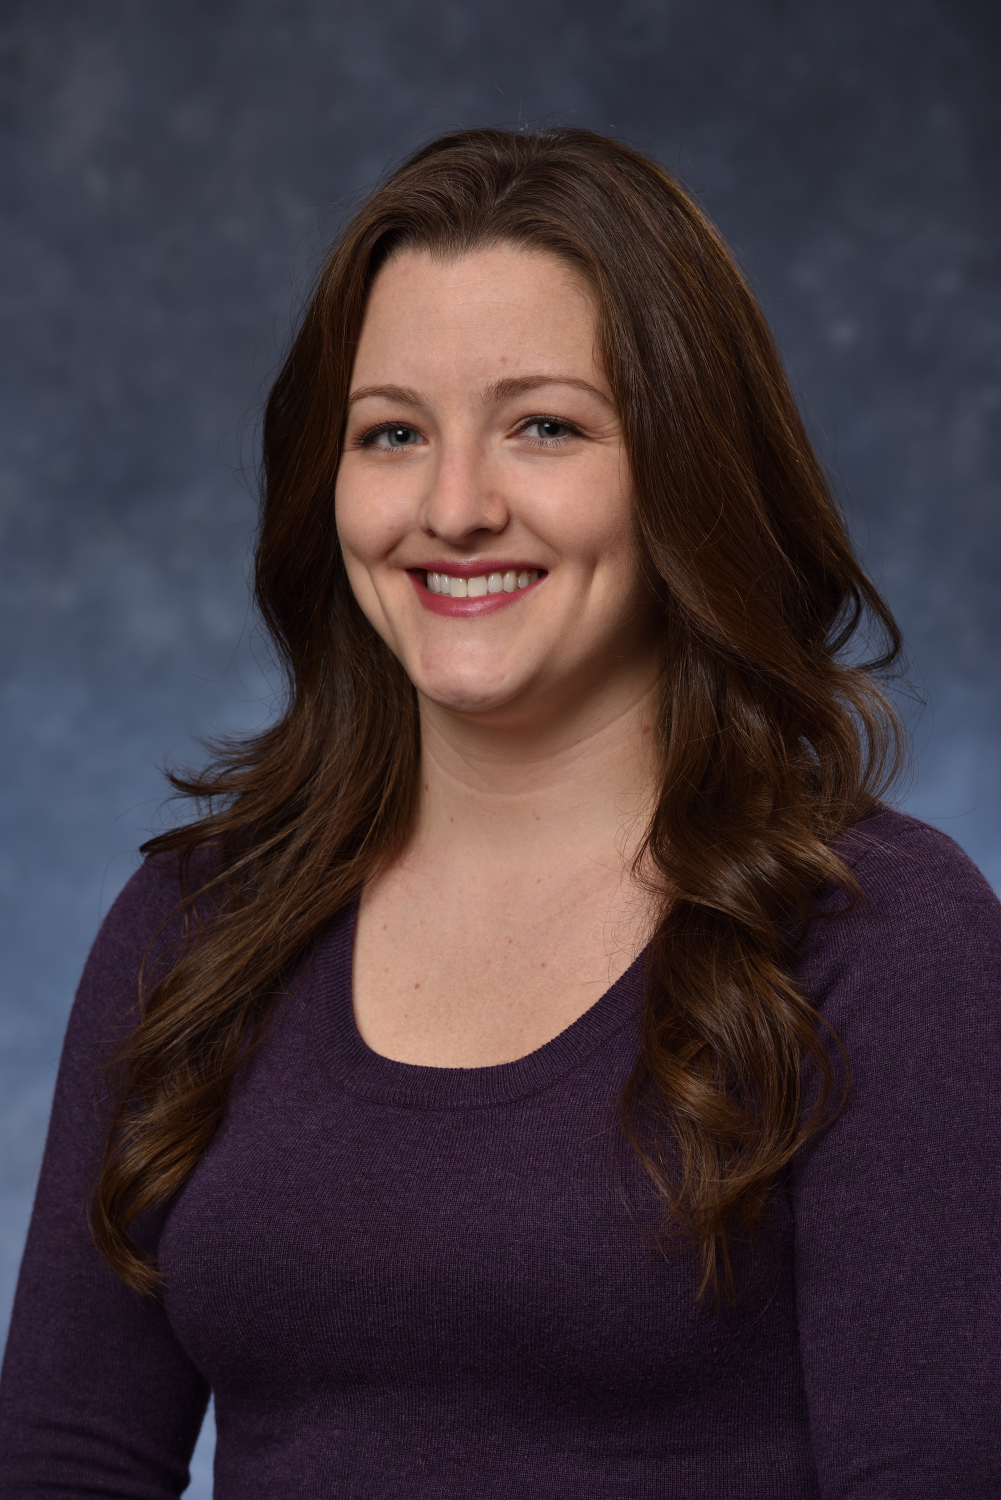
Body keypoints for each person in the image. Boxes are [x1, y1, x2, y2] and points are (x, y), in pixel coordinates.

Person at [0, 126, 998, 1498]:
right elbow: (67, 1459)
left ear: (685, 468)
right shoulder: (197, 926)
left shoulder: (874, 938)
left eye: (544, 426)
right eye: (392, 433)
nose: (453, 507)